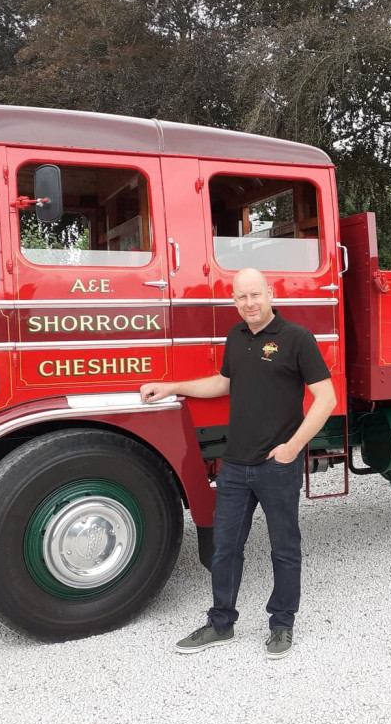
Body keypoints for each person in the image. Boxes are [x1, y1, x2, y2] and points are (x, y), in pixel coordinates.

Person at [140, 267, 336, 660]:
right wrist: (172, 386)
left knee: (284, 549)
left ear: (270, 294)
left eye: (255, 295)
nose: (249, 303)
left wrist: (293, 448)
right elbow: (223, 383)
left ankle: (282, 624)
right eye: (241, 297)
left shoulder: (297, 339)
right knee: (225, 548)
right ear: (235, 301)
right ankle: (221, 623)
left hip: (277, 466)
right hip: (235, 466)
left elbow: (326, 398)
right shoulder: (236, 336)